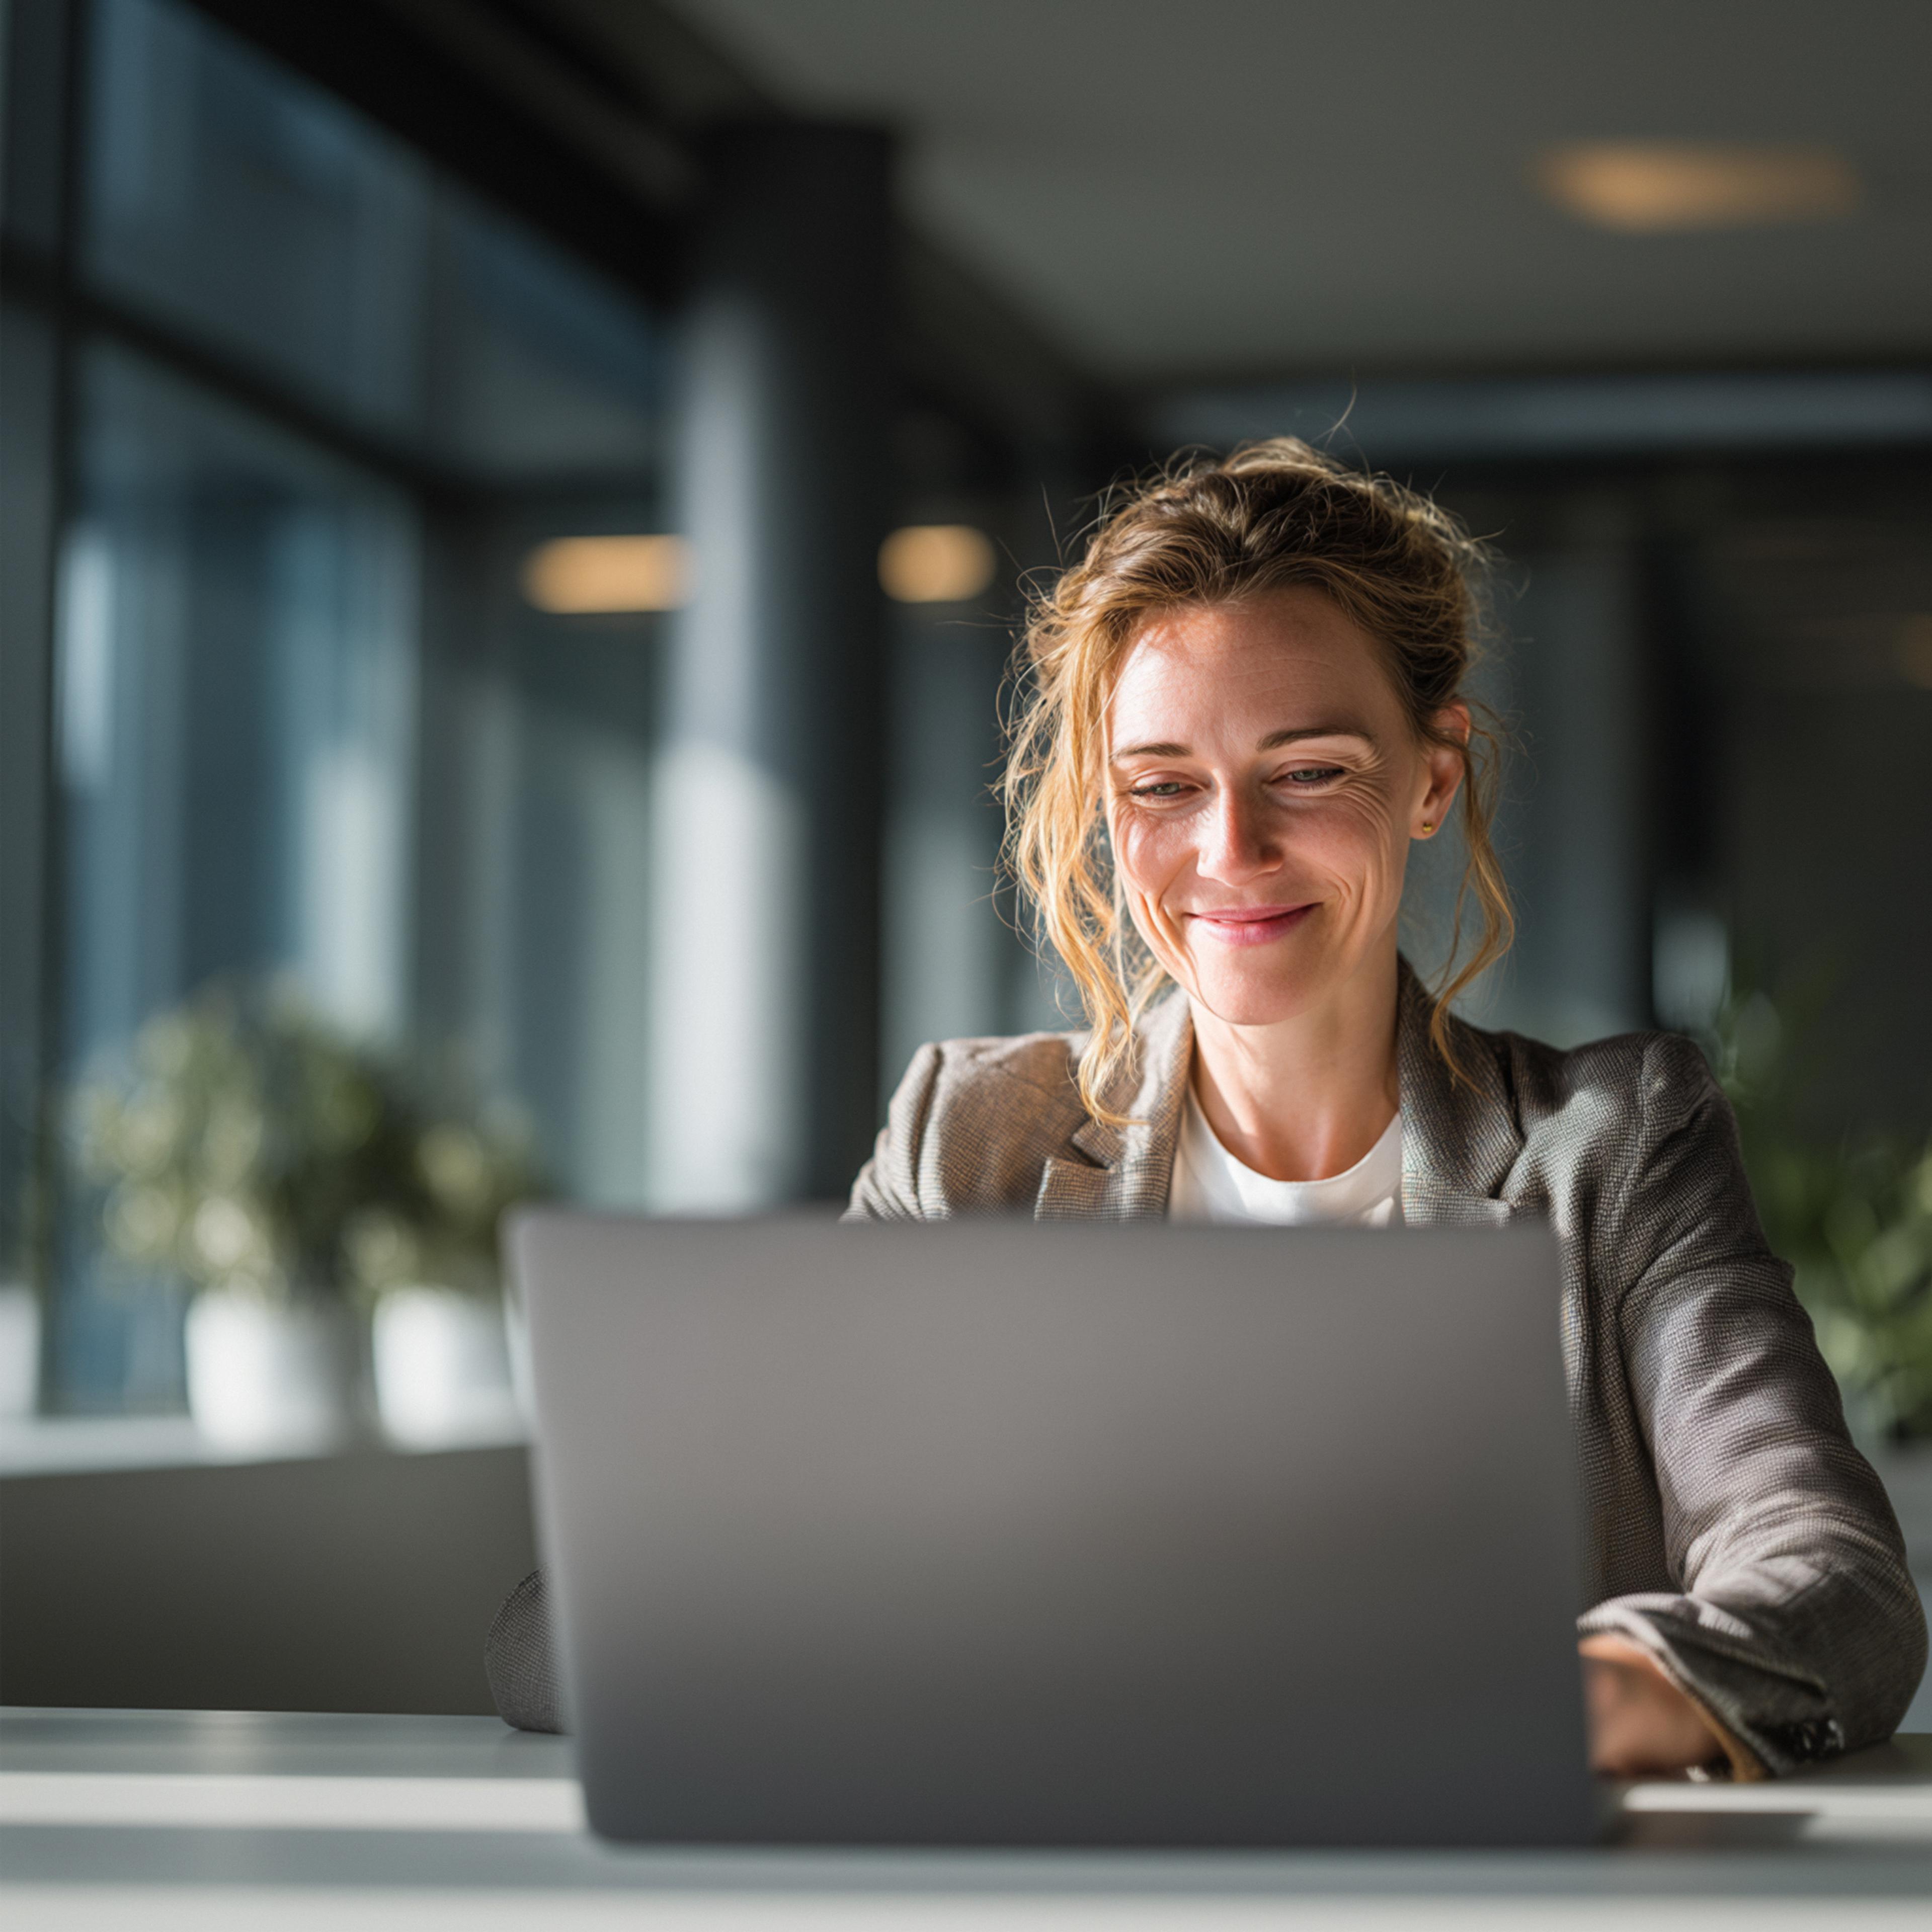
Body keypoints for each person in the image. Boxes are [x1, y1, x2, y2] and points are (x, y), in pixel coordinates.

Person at [489, 442, 1924, 1777]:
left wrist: (1584, 1692)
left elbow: (1835, 1585)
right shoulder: (971, 1143)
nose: (1229, 850)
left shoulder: (1612, 1144)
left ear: (1433, 775)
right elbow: (578, 1633)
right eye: (1164, 785)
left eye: (1307, 773)